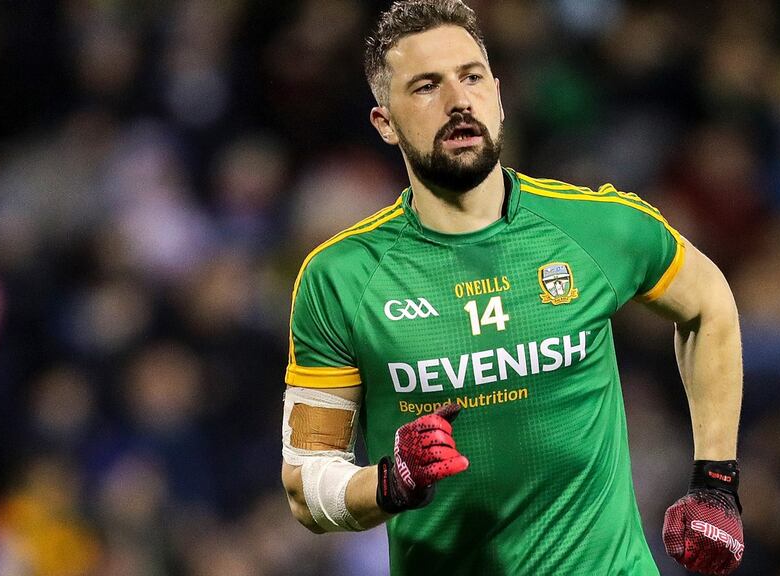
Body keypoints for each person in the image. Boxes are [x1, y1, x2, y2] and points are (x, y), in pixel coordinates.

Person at [280, 1, 744, 574]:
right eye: (426, 87)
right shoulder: (341, 278)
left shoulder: (601, 227)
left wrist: (716, 478)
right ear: (384, 122)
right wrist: (388, 483)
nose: (458, 102)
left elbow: (708, 304)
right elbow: (306, 484)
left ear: (497, 96)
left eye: (471, 77)